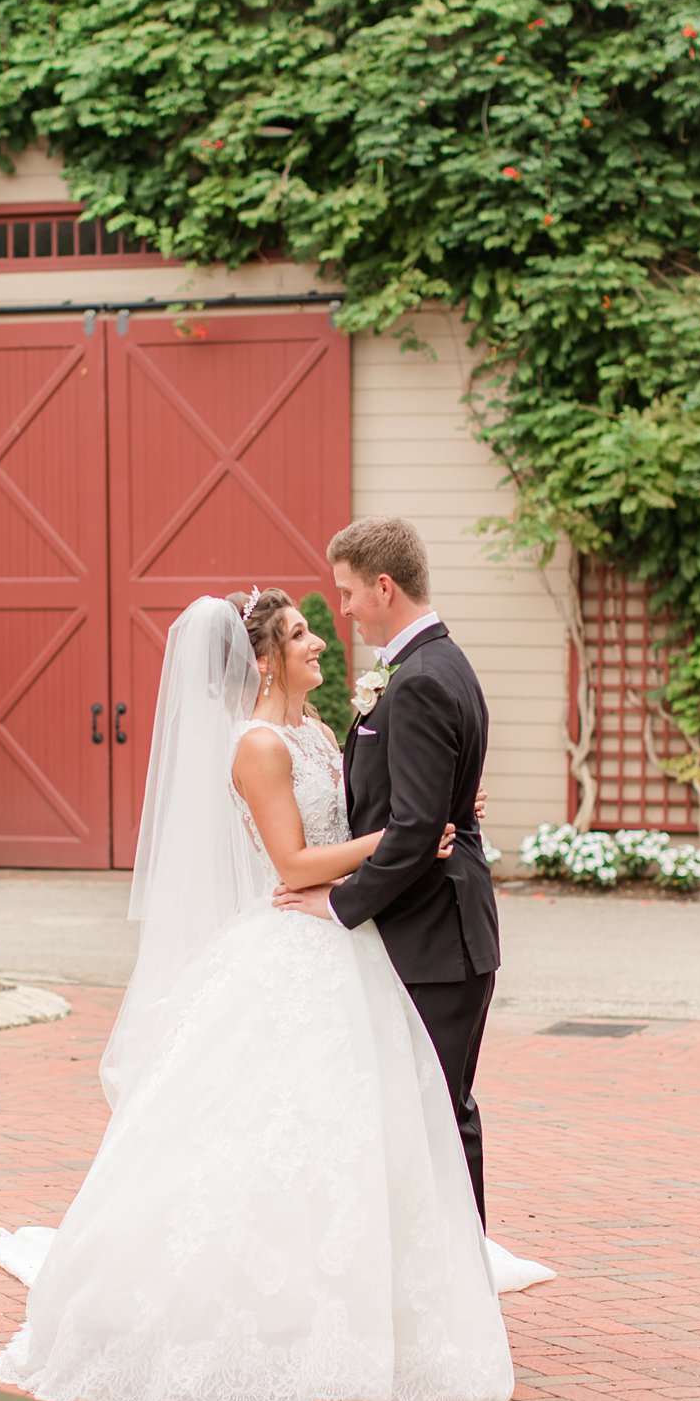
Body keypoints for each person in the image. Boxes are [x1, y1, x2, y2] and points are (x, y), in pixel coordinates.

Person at [0, 588, 551, 1401]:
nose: (319, 639)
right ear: (263, 659)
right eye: (299, 634)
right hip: (292, 940)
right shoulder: (254, 747)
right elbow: (292, 863)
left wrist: (445, 814)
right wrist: (405, 841)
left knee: (354, 1131)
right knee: (269, 1128)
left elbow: (380, 806)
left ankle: (369, 1301)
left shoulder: (321, 731)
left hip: (349, 947)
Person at [276, 518, 497, 1223]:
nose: (341, 611)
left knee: (437, 1112)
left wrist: (339, 902)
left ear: (384, 585)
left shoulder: (423, 680)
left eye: (347, 593)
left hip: (434, 938)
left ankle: (464, 1281)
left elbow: (416, 828)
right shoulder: (434, 664)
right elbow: (421, 807)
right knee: (426, 1111)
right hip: (433, 931)